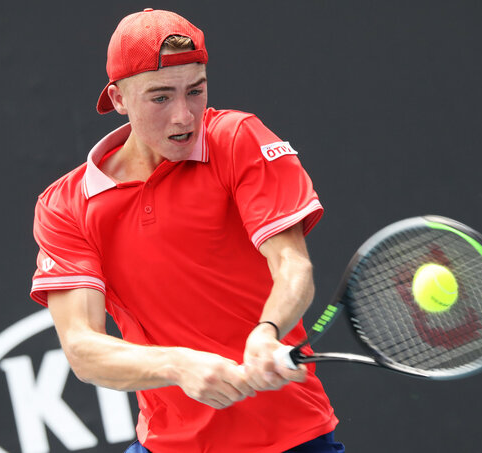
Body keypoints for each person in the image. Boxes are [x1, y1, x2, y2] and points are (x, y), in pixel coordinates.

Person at [30, 8, 344, 453]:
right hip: (169, 444)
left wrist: (268, 330)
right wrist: (178, 365)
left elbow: (292, 265)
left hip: (293, 440)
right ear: (118, 99)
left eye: (195, 91)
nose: (184, 116)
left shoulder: (237, 138)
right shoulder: (66, 205)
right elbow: (83, 348)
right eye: (160, 98)